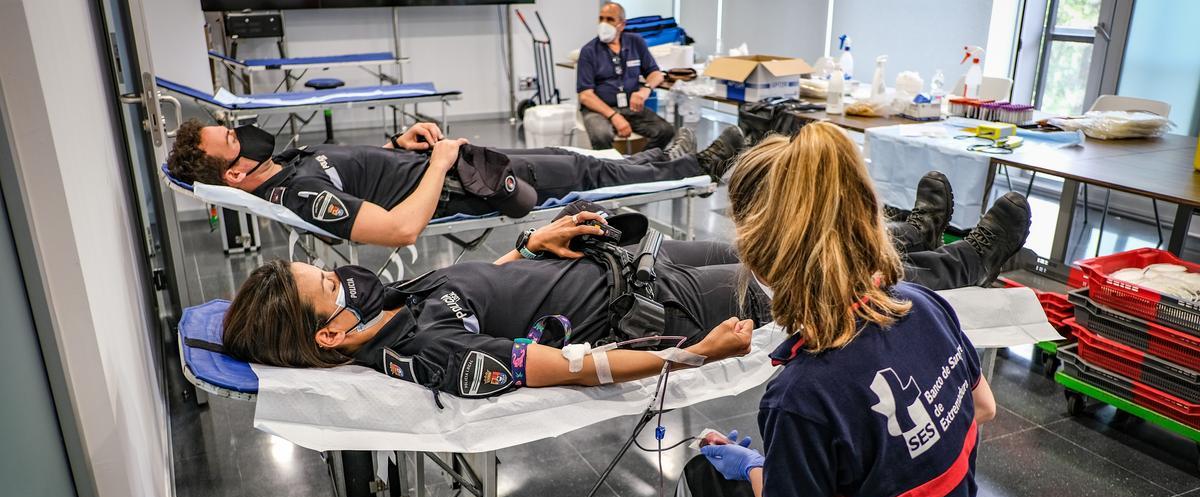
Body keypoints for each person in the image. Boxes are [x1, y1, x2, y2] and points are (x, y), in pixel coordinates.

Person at [594, 123, 1006, 497]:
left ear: (762, 260)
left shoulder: (804, 389)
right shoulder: (921, 303)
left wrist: (762, 470)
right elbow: (982, 409)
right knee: (704, 482)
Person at [219, 148, 1029, 402]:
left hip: (627, 264)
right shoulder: (423, 351)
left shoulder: (388, 313)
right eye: (322, 284)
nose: (337, 275)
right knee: (819, 283)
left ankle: (912, 233)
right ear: (327, 332)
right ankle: (961, 260)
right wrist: (695, 356)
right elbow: (577, 365)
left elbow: (477, 292)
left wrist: (532, 250)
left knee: (787, 249)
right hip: (656, 306)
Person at [165, 118, 742, 247]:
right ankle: (695, 169)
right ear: (235, 174)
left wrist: (399, 145)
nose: (243, 133)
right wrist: (438, 165)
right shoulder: (296, 193)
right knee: (587, 173)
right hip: (461, 184)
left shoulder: (284, 164)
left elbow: (363, 172)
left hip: (452, 164)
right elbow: (396, 229)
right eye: (232, 141)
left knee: (572, 156)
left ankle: (667, 158)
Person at [577, 2, 676, 151]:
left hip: (630, 107)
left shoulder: (635, 42)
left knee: (665, 131)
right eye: (601, 19)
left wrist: (645, 90)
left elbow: (656, 74)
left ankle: (638, 165)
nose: (604, 24)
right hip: (599, 110)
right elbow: (585, 96)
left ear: (622, 24)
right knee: (601, 135)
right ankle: (609, 171)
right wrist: (614, 116)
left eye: (610, 19)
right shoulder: (589, 51)